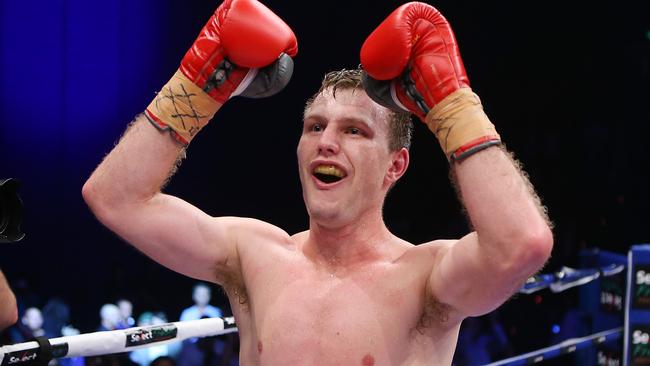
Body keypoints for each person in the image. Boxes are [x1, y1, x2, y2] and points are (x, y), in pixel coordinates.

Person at [82, 0, 553, 364]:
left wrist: (452, 106)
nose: (327, 141)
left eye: (354, 130)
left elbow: (521, 244)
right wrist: (197, 86)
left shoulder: (424, 279)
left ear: (396, 166)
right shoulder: (254, 255)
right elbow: (116, 198)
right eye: (314, 126)